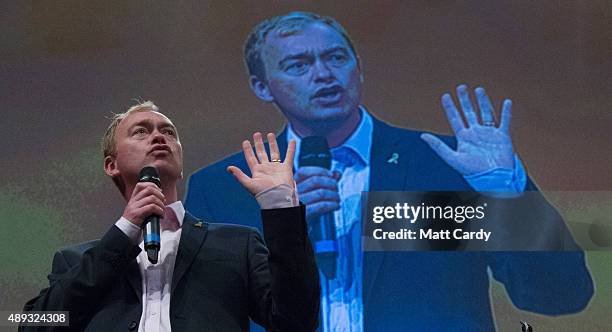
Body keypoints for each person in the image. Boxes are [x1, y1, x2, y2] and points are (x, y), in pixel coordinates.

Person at [185, 12, 593, 331]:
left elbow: (561, 296)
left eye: (336, 57)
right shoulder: (223, 189)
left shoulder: (441, 166)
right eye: (298, 65)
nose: (323, 74)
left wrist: (505, 192)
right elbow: (200, 317)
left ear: (358, 68)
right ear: (262, 86)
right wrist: (282, 230)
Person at [21, 102, 320, 331]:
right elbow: (34, 324)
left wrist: (281, 207)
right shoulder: (75, 260)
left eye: (168, 132)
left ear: (180, 163)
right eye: (141, 131)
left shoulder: (236, 244)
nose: (158, 137)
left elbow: (296, 321)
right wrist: (124, 231)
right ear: (111, 165)